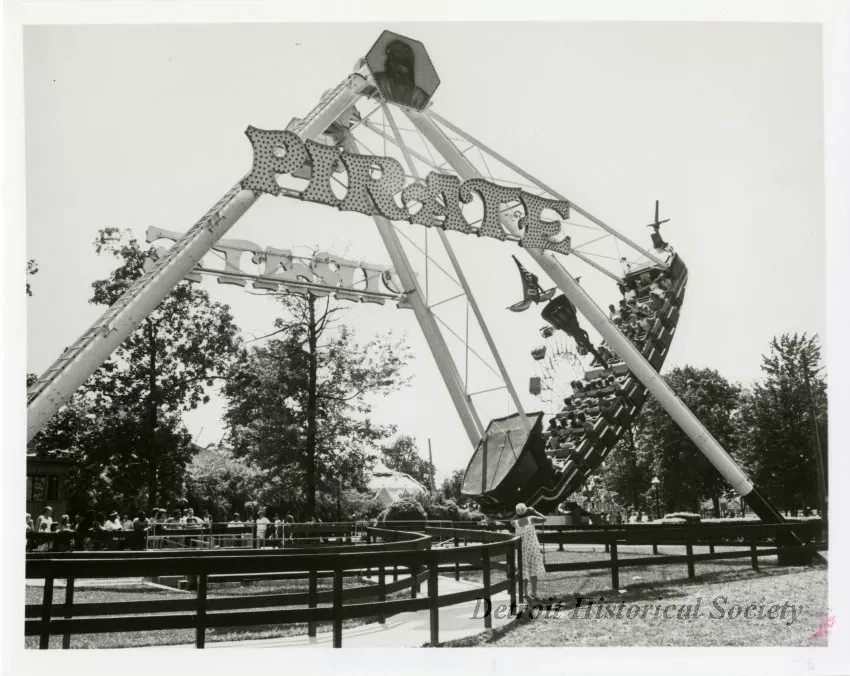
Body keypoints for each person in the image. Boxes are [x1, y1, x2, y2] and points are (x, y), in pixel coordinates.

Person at [371, 39, 431, 110]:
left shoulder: (420, 97)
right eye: (393, 61)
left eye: (403, 63)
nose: (397, 67)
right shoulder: (377, 80)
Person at [511, 503, 547, 601]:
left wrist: (517, 513)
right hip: (533, 547)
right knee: (533, 569)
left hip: (522, 549)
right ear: (526, 511)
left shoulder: (515, 522)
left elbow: (511, 520)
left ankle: (525, 592)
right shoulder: (531, 518)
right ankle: (534, 592)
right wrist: (534, 511)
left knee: (524, 570)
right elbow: (544, 518)